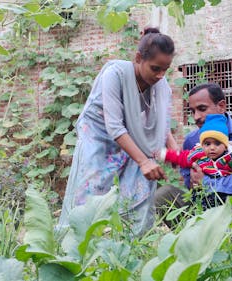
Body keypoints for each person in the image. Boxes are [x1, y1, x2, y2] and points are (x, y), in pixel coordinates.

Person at [57, 27, 177, 236]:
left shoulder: (159, 84)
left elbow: (161, 122)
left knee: (142, 181)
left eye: (165, 70)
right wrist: (143, 161)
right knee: (93, 186)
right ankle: (76, 242)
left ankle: (132, 240)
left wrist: (175, 152)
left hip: (130, 133)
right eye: (155, 68)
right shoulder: (115, 74)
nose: (160, 75)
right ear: (138, 58)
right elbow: (114, 125)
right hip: (98, 132)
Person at [154, 83, 232, 231]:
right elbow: (190, 184)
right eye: (192, 111)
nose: (196, 117)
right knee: (164, 194)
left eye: (202, 109)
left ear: (222, 106)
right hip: (205, 208)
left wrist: (208, 183)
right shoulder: (192, 140)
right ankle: (196, 248)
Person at [156, 114, 232, 187]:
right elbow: (181, 157)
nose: (212, 147)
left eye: (217, 143)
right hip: (204, 195)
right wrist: (164, 154)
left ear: (225, 146)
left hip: (228, 195)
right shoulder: (198, 155)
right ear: (202, 145)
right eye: (207, 144)